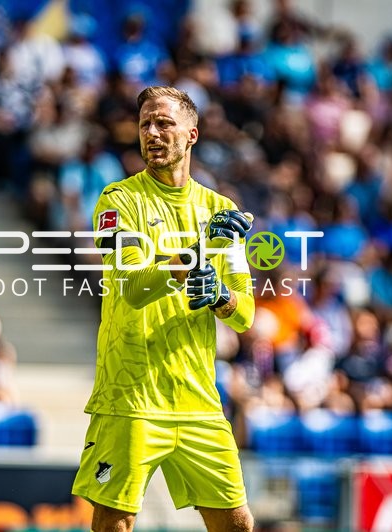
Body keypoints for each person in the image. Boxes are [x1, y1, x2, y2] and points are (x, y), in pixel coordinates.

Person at [71, 86, 255, 531]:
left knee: (238, 523)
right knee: (116, 521)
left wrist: (218, 297)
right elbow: (132, 288)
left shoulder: (219, 208)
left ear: (192, 134)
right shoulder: (118, 202)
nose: (152, 133)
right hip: (130, 395)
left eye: (164, 123)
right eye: (144, 125)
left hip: (198, 401)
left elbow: (244, 314)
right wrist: (200, 250)